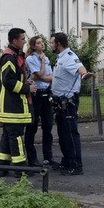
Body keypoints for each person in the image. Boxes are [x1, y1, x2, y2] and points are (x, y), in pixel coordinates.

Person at [51, 32, 93, 175]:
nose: (50, 45)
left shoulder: (69, 57)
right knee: (63, 134)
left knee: (70, 133)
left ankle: (76, 164)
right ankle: (68, 160)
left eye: (52, 43)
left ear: (58, 44)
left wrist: (84, 74)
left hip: (68, 103)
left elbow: (80, 69)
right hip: (60, 102)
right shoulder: (60, 58)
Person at [0, 27, 36, 171]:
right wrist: (27, 89)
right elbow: (8, 81)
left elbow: (14, 78)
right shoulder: (9, 57)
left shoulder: (14, 55)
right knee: (16, 136)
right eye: (22, 39)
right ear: (14, 41)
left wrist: (26, 83)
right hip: (12, 105)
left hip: (11, 105)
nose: (25, 41)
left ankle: (2, 167)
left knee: (8, 136)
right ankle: (20, 169)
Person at [24, 35, 54, 167]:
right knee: (32, 127)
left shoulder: (46, 57)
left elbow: (51, 76)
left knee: (48, 126)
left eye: (42, 42)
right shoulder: (31, 59)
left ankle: (48, 156)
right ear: (33, 46)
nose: (42, 44)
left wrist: (44, 77)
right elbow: (40, 75)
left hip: (46, 94)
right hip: (36, 95)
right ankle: (32, 157)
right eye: (38, 43)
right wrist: (42, 64)